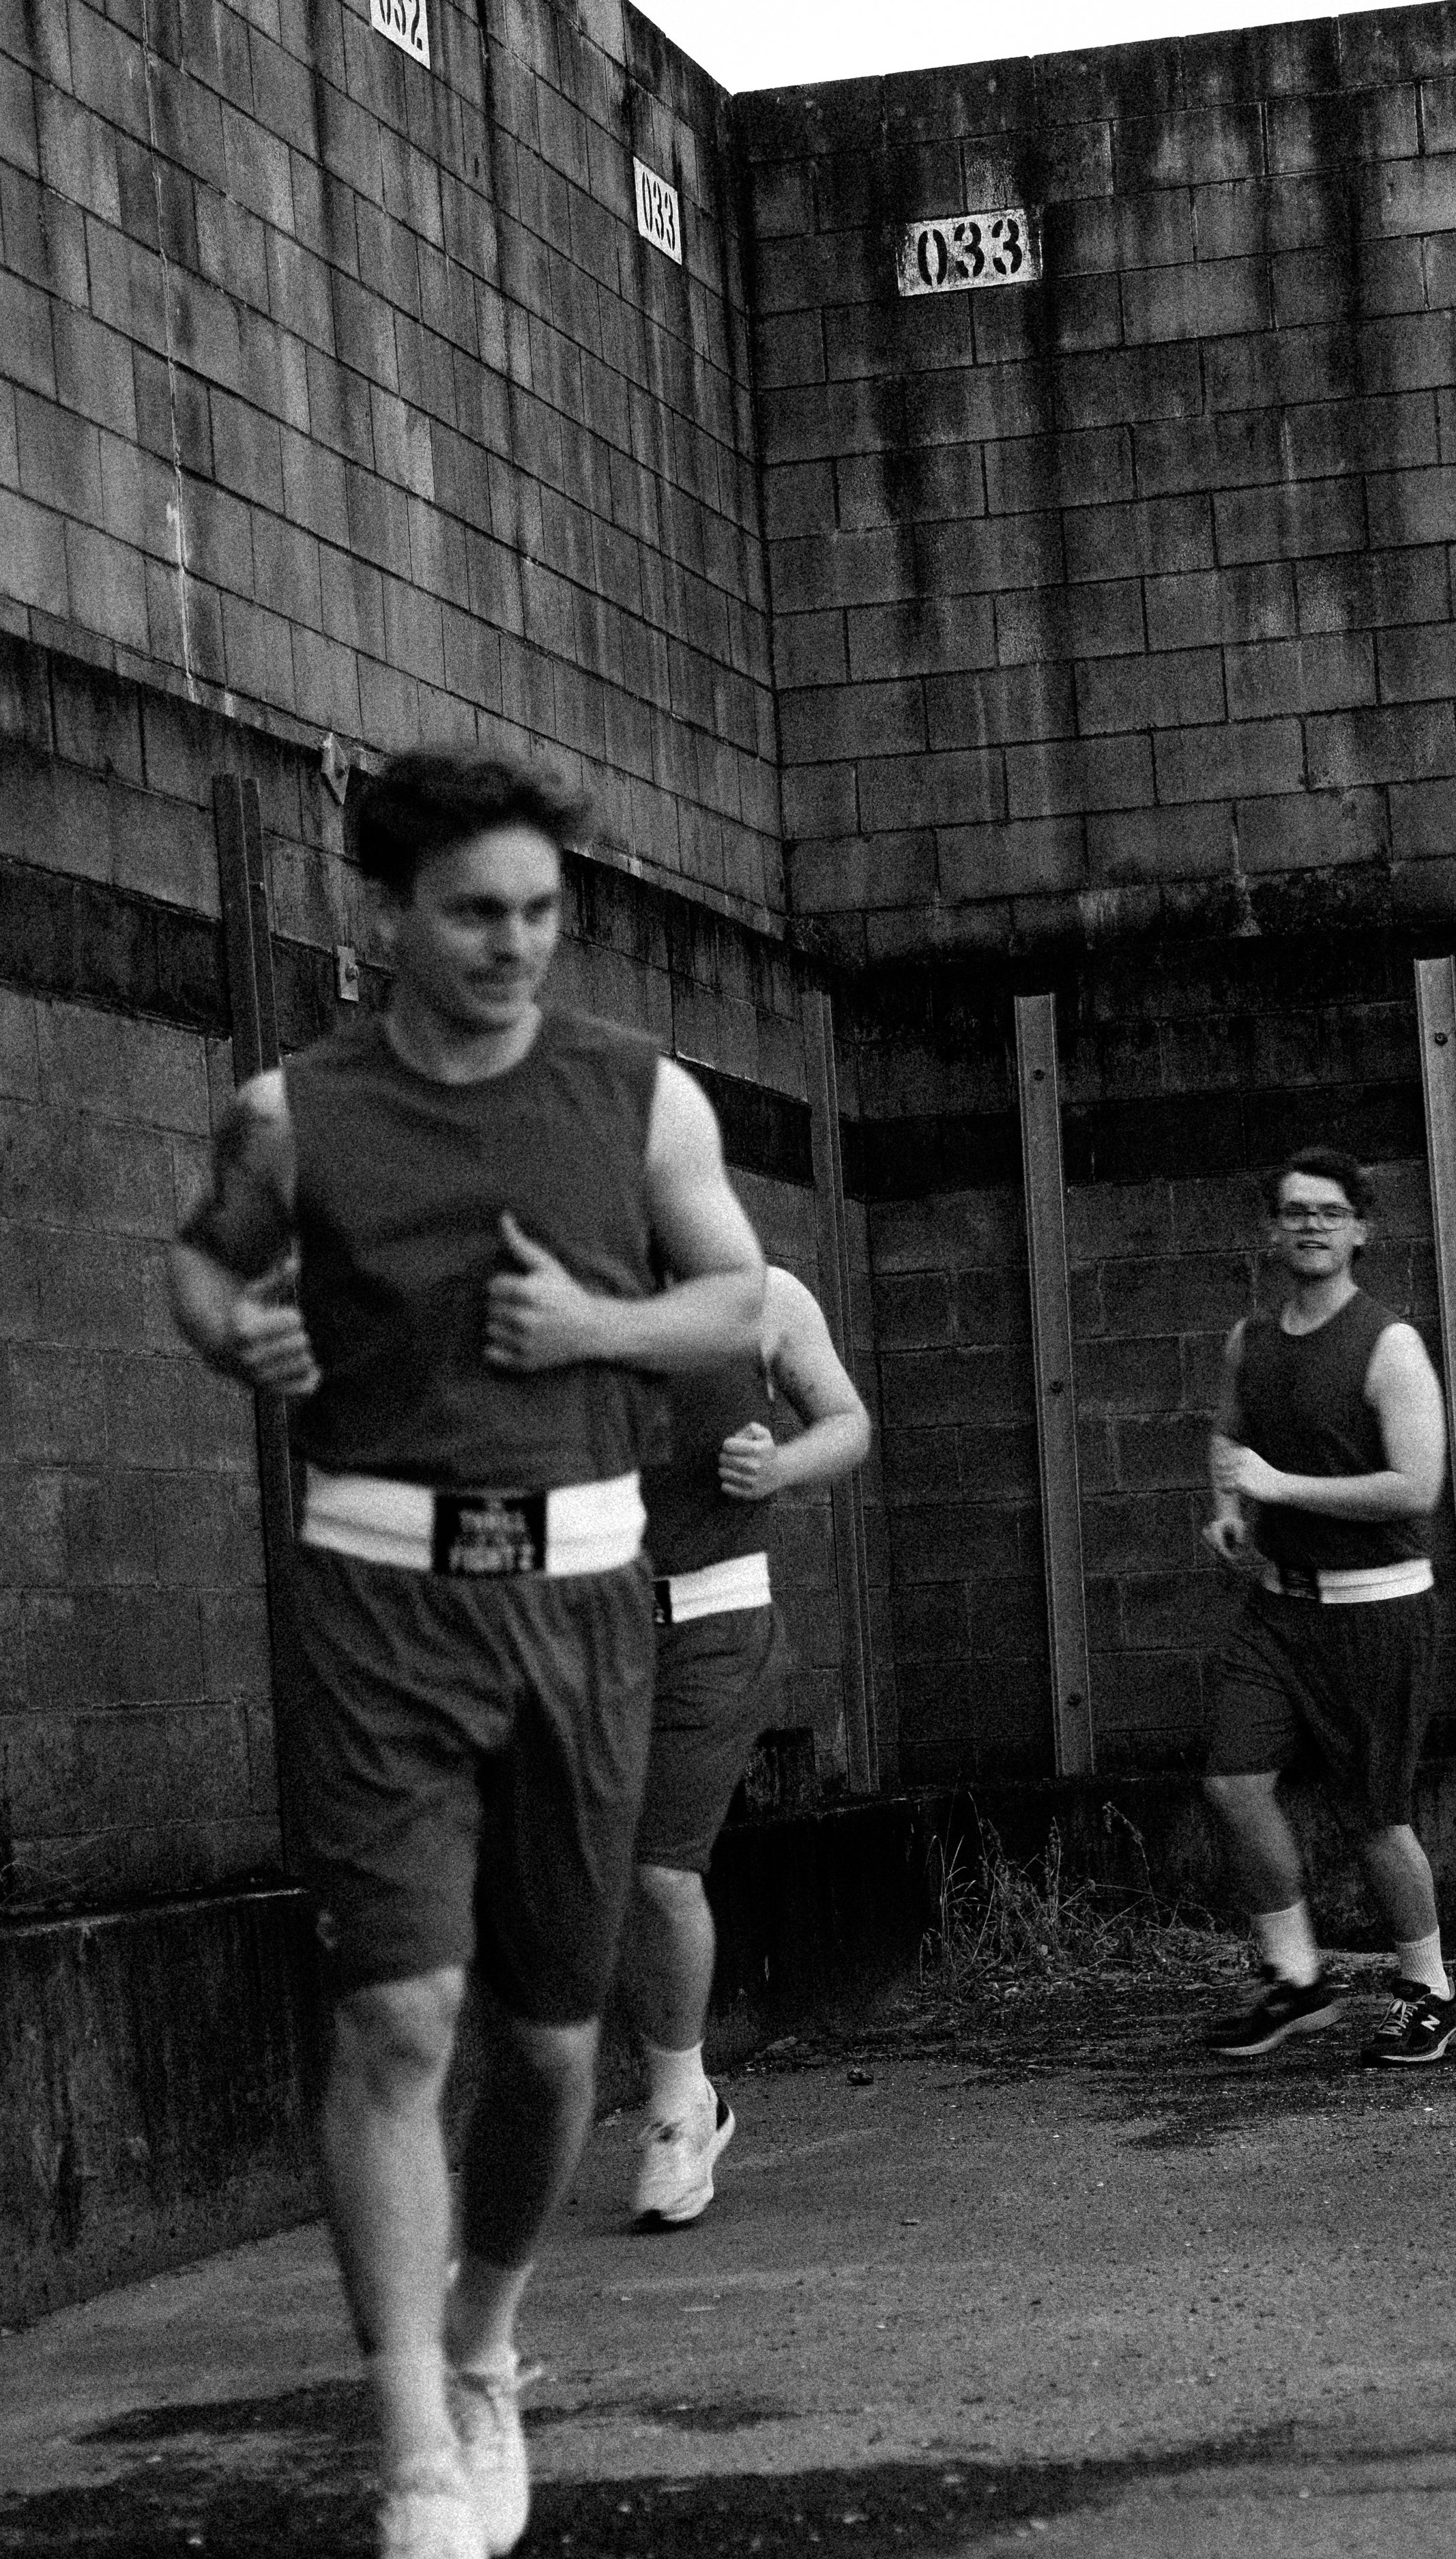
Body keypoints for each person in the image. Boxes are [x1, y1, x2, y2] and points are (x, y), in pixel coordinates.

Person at [168, 748, 766, 2559]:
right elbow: (200, 1263)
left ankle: (488, 2332)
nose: (514, 944)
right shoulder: (294, 1113)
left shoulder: (637, 1096)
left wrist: (597, 1317)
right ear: (386, 915)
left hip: (586, 1601)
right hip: (377, 1601)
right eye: (474, 910)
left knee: (550, 2043)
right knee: (399, 2011)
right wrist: (238, 1335)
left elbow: (736, 1292)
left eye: (538, 913)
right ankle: (414, 2435)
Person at [1199, 1146, 1456, 2069]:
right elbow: (1229, 1439)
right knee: (1234, 1784)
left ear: (1360, 1228)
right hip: (1278, 1611)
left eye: (1329, 1211)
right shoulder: (1252, 1341)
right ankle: (1297, 1978)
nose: (1310, 1225)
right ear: (1272, 1230)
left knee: (1375, 1818)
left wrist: (1285, 1484)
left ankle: (1432, 1989)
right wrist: (1233, 1511)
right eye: (1294, 1211)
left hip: (1377, 1612)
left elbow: (1416, 1488)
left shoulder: (1389, 1342)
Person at [618, 1266, 871, 2226]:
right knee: (582, 1875)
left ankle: (680, 2104)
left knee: (661, 1870)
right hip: (586, 1627)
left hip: (716, 1621)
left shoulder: (765, 1295)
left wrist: (783, 1467)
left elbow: (848, 1422)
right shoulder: (561, 1287)